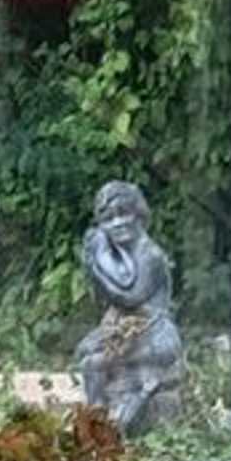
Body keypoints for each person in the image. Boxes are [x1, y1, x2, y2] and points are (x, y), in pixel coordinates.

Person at [76, 179, 184, 432]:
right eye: (108, 218)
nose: (118, 223)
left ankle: (109, 427)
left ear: (139, 215)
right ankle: (97, 423)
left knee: (95, 363)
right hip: (130, 332)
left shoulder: (149, 254)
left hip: (156, 336)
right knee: (86, 355)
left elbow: (129, 295)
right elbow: (106, 295)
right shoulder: (121, 255)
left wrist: (95, 260)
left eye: (124, 213)